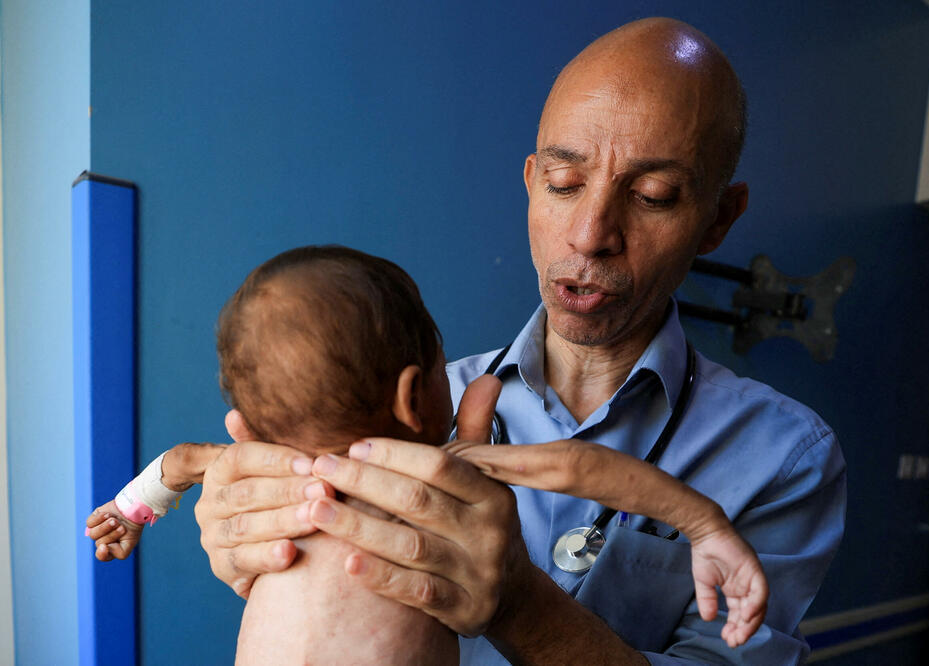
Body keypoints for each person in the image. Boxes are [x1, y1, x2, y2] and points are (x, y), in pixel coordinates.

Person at [193, 17, 846, 665]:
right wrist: (250, 527)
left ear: (718, 219)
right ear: (532, 181)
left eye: (654, 196)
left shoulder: (786, 456)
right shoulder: (412, 409)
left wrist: (521, 606)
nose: (590, 234)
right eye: (564, 184)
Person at [86, 244, 770, 658]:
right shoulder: (438, 475)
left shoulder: (252, 468)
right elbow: (583, 467)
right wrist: (707, 526)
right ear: (417, 396)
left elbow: (178, 462)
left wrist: (131, 509)